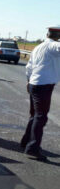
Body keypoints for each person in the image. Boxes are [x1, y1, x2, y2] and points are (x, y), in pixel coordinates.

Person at [20, 26, 60, 161]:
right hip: (43, 85)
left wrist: (28, 81)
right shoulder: (53, 46)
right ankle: (32, 148)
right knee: (40, 117)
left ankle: (26, 142)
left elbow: (29, 66)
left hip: (33, 83)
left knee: (34, 115)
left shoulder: (38, 47)